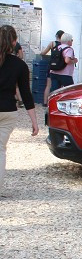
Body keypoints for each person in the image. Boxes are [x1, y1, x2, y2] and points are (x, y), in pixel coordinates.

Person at [0, 25, 39, 193]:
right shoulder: (20, 65)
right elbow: (26, 95)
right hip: (8, 111)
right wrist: (34, 121)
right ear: (14, 42)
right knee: (0, 150)